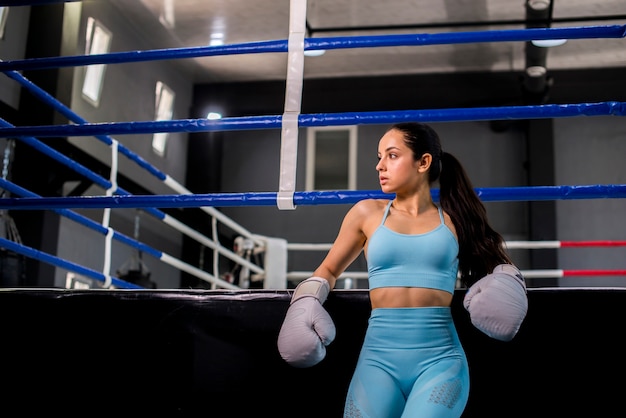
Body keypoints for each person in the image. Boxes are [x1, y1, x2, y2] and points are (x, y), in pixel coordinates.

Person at [277, 122, 528, 417]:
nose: (380, 166)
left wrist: (509, 283)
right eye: (379, 156)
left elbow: (499, 264)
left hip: (440, 360)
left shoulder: (454, 219)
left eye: (392, 155)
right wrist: (305, 300)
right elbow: (328, 271)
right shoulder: (367, 213)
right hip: (377, 360)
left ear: (423, 162)